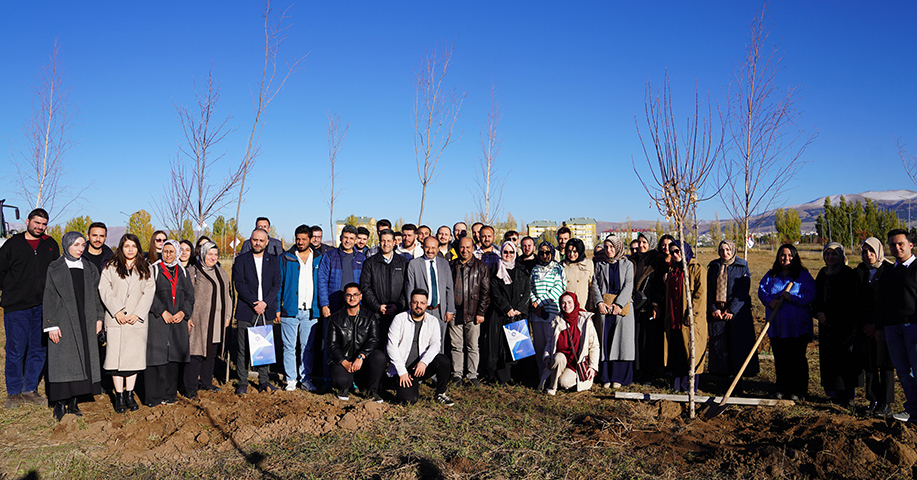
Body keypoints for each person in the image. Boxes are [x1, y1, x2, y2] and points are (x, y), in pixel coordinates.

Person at [0, 208, 60, 408]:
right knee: (16, 349)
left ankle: (30, 389)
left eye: (43, 224)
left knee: (38, 348)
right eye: (37, 223)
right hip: (17, 306)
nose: (40, 227)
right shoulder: (12, 245)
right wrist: (9, 293)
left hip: (43, 306)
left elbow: (56, 273)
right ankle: (14, 392)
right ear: (27, 221)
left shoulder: (50, 245)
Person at [43, 232, 103, 420]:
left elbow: (96, 294)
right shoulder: (56, 267)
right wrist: (51, 324)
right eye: (76, 245)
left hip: (86, 318)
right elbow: (49, 296)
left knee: (83, 357)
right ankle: (60, 402)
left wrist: (99, 318)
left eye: (82, 245)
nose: (80, 249)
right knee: (63, 360)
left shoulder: (89, 267)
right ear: (67, 245)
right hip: (64, 320)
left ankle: (74, 401)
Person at [99, 233, 156, 413]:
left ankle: (130, 395)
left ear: (138, 248)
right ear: (121, 248)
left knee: (133, 360)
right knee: (116, 361)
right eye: (126, 246)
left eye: (133, 246)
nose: (130, 249)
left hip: (135, 321)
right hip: (117, 320)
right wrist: (117, 311)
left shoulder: (146, 268)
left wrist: (137, 314)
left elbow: (149, 292)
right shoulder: (111, 267)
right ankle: (119, 396)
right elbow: (104, 289)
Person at [758, 243, 816, 401]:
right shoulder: (772, 275)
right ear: (778, 257)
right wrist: (770, 301)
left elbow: (811, 294)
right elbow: (761, 290)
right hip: (777, 325)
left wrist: (793, 298)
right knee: (781, 358)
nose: (786, 258)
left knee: (797, 358)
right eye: (783, 255)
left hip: (797, 326)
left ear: (795, 257)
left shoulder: (802, 276)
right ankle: (782, 388)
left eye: (790, 255)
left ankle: (799, 390)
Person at [232, 228, 282, 394]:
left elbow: (276, 284)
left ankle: (263, 381)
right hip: (247, 309)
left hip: (265, 310)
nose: (258, 243)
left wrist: (265, 303)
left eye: (261, 240)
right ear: (250, 240)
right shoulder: (241, 260)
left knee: (264, 348)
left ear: (267, 242)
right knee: (242, 348)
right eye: (255, 240)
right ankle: (242, 382)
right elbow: (239, 284)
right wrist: (255, 303)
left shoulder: (273, 260)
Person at [145, 240, 194, 406]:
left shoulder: (183, 272)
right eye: (165, 251)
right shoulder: (153, 270)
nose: (168, 254)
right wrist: (161, 311)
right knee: (156, 357)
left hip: (178, 321)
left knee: (173, 359)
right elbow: (147, 293)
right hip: (158, 319)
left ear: (177, 252)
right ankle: (153, 397)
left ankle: (169, 394)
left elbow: (190, 296)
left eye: (171, 251)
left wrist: (183, 312)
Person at [706, 239, 759, 392]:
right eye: (722, 250)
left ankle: (738, 382)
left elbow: (743, 290)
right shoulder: (714, 267)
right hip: (718, 314)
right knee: (720, 346)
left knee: (738, 346)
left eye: (728, 249)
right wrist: (713, 308)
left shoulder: (742, 265)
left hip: (737, 315)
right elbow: (709, 289)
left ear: (734, 250)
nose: (725, 253)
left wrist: (732, 310)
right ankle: (722, 382)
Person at [386, 289, 455, 406]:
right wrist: (402, 372)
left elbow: (435, 345)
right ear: (410, 303)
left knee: (443, 360)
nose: (419, 306)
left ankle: (440, 393)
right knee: (409, 400)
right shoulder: (399, 319)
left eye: (422, 303)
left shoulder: (433, 321)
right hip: (403, 369)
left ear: (427, 304)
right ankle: (397, 384)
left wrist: (424, 362)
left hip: (420, 367)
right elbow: (391, 347)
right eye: (415, 302)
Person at [879, 229, 917, 422]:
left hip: (914, 326)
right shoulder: (888, 273)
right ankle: (912, 409)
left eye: (900, 244)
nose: (896, 247)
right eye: (893, 244)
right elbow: (882, 302)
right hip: (892, 328)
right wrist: (881, 327)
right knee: (903, 371)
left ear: (910, 245)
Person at [813, 242, 858, 406]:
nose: (830, 257)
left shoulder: (848, 274)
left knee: (844, 360)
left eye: (834, 254)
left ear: (841, 256)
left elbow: (851, 301)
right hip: (825, 325)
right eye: (827, 254)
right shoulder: (823, 273)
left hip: (843, 324)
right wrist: (818, 313)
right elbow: (816, 297)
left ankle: (846, 396)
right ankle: (832, 393)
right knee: (828, 359)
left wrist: (833, 316)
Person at [277, 225, 321, 392]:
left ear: (310, 239)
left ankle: (306, 378)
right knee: (289, 346)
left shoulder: (318, 258)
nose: (300, 242)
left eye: (304, 239)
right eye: (298, 239)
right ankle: (290, 380)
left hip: (311, 310)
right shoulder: (286, 258)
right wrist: (277, 307)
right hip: (290, 309)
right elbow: (279, 284)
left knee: (307, 347)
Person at [184, 241, 231, 399]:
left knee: (211, 353)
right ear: (203, 254)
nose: (213, 257)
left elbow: (227, 295)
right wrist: (188, 317)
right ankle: (190, 386)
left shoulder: (221, 271)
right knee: (196, 353)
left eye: (215, 254)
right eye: (210, 254)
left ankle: (206, 382)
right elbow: (186, 296)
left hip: (217, 319)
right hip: (199, 319)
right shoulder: (193, 271)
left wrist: (227, 315)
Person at [326, 283, 387, 402]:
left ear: (361, 296)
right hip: (344, 359)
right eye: (349, 295)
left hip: (363, 359)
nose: (352, 298)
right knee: (343, 381)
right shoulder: (335, 318)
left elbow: (374, 339)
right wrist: (344, 362)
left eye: (355, 295)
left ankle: (372, 391)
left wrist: (361, 356)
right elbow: (332, 344)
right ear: (344, 297)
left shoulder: (370, 316)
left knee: (379, 357)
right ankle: (344, 387)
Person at [854, 237, 894, 417]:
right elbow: (854, 300)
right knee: (869, 366)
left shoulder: (889, 270)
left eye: (871, 251)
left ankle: (886, 403)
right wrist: (863, 324)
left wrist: (878, 325)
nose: (868, 255)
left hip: (883, 327)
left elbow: (890, 302)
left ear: (879, 251)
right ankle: (873, 400)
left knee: (885, 365)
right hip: (864, 326)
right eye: (864, 251)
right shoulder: (859, 271)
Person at [663, 241, 707, 393]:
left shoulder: (697, 269)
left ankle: (691, 387)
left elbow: (700, 296)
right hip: (675, 318)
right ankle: (678, 386)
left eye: (678, 251)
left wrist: (691, 315)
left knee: (691, 352)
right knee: (677, 351)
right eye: (673, 252)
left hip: (689, 320)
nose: (675, 255)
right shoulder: (672, 271)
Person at [592, 236, 636, 388]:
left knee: (621, 342)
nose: (609, 250)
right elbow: (595, 284)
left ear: (618, 247)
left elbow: (629, 284)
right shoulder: (600, 265)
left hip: (622, 308)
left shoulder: (628, 265)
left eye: (612, 247)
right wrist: (598, 302)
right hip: (604, 308)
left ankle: (619, 377)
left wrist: (619, 304)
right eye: (606, 247)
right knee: (606, 340)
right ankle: (606, 377)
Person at [487, 241, 532, 385]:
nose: (508, 255)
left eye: (511, 252)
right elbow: (494, 292)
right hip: (501, 314)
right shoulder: (495, 270)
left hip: (518, 313)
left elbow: (527, 290)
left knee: (518, 346)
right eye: (505, 252)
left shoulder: (522, 269)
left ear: (515, 253)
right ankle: (502, 377)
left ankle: (517, 376)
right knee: (500, 346)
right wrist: (507, 308)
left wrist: (519, 308)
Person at [449, 237, 491, 386]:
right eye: (462, 247)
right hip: (455, 312)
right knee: (456, 345)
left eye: (468, 247)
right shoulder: (452, 265)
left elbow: (485, 293)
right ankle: (457, 374)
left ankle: (472, 375)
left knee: (473, 345)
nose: (464, 250)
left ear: (473, 248)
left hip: (473, 313)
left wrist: (481, 312)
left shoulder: (481, 267)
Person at [543, 292, 600, 395]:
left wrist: (592, 367)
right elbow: (550, 341)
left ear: (575, 303)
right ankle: (553, 388)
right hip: (560, 360)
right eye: (563, 303)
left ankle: (561, 379)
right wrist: (546, 356)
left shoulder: (585, 321)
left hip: (576, 363)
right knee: (558, 357)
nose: (566, 306)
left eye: (569, 302)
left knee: (564, 382)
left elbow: (594, 346)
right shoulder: (557, 320)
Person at [405, 236, 455, 352]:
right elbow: (409, 289)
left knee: (439, 342)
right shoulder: (414, 264)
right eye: (427, 247)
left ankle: (437, 368)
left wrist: (450, 310)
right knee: (421, 341)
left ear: (438, 249)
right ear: (422, 247)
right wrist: (411, 310)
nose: (430, 250)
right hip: (421, 310)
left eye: (433, 247)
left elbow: (449, 288)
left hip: (440, 310)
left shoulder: (444, 264)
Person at [529, 241, 566, 384]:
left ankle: (552, 377)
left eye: (547, 252)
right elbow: (530, 288)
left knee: (551, 347)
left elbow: (559, 289)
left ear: (552, 253)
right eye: (542, 253)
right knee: (539, 346)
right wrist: (535, 304)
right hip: (537, 314)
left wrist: (540, 303)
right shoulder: (535, 270)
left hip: (552, 312)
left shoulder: (558, 269)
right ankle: (541, 377)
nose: (545, 255)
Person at [360, 228, 407, 332]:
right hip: (376, 314)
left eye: (389, 241)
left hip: (398, 314)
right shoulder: (370, 263)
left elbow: (407, 287)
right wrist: (378, 306)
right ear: (379, 242)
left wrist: (398, 305)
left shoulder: (403, 262)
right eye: (383, 241)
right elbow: (365, 287)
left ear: (394, 242)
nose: (386, 244)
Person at [630, 233, 662, 382]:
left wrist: (656, 304)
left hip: (650, 305)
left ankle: (650, 373)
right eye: (640, 242)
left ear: (651, 243)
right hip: (636, 304)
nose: (641, 245)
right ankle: (638, 371)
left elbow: (659, 286)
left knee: (649, 341)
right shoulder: (635, 260)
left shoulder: (657, 261)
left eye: (645, 242)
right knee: (637, 339)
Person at [563, 238, 594, 310]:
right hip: (567, 307)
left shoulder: (588, 263)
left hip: (583, 305)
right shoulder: (563, 265)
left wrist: (591, 306)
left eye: (575, 252)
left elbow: (591, 286)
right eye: (569, 251)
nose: (571, 254)